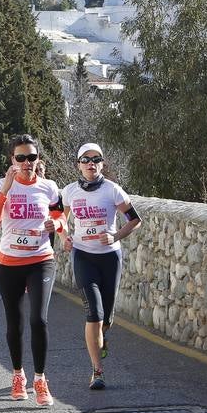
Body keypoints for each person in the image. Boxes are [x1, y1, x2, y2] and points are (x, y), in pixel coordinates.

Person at [0, 135, 65, 406]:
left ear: (38, 160)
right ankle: (18, 374)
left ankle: (40, 379)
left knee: (38, 320)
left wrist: (58, 225)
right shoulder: (1, 186)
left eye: (31, 157)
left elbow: (59, 215)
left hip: (41, 259)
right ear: (12, 161)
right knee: (15, 323)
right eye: (21, 158)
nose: (27, 163)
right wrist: (6, 189)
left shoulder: (49, 187)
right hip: (9, 264)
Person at [61, 143, 141, 390]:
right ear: (78, 164)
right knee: (93, 314)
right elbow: (61, 218)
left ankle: (104, 332)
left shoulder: (112, 190)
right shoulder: (70, 191)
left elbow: (135, 220)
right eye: (85, 160)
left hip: (109, 258)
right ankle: (97, 371)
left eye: (96, 159)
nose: (90, 164)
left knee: (106, 316)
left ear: (102, 164)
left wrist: (115, 236)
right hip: (83, 256)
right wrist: (64, 237)